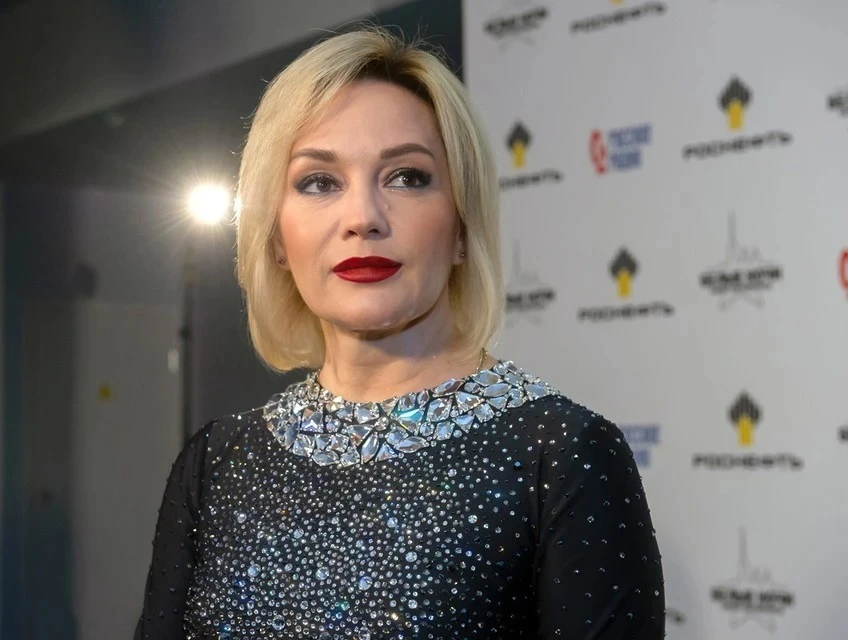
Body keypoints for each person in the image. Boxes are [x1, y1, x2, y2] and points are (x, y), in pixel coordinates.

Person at [134, 26, 665, 639]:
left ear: (462, 225)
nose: (363, 218)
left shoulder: (562, 455)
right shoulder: (215, 464)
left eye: (407, 177)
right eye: (319, 182)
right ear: (276, 237)